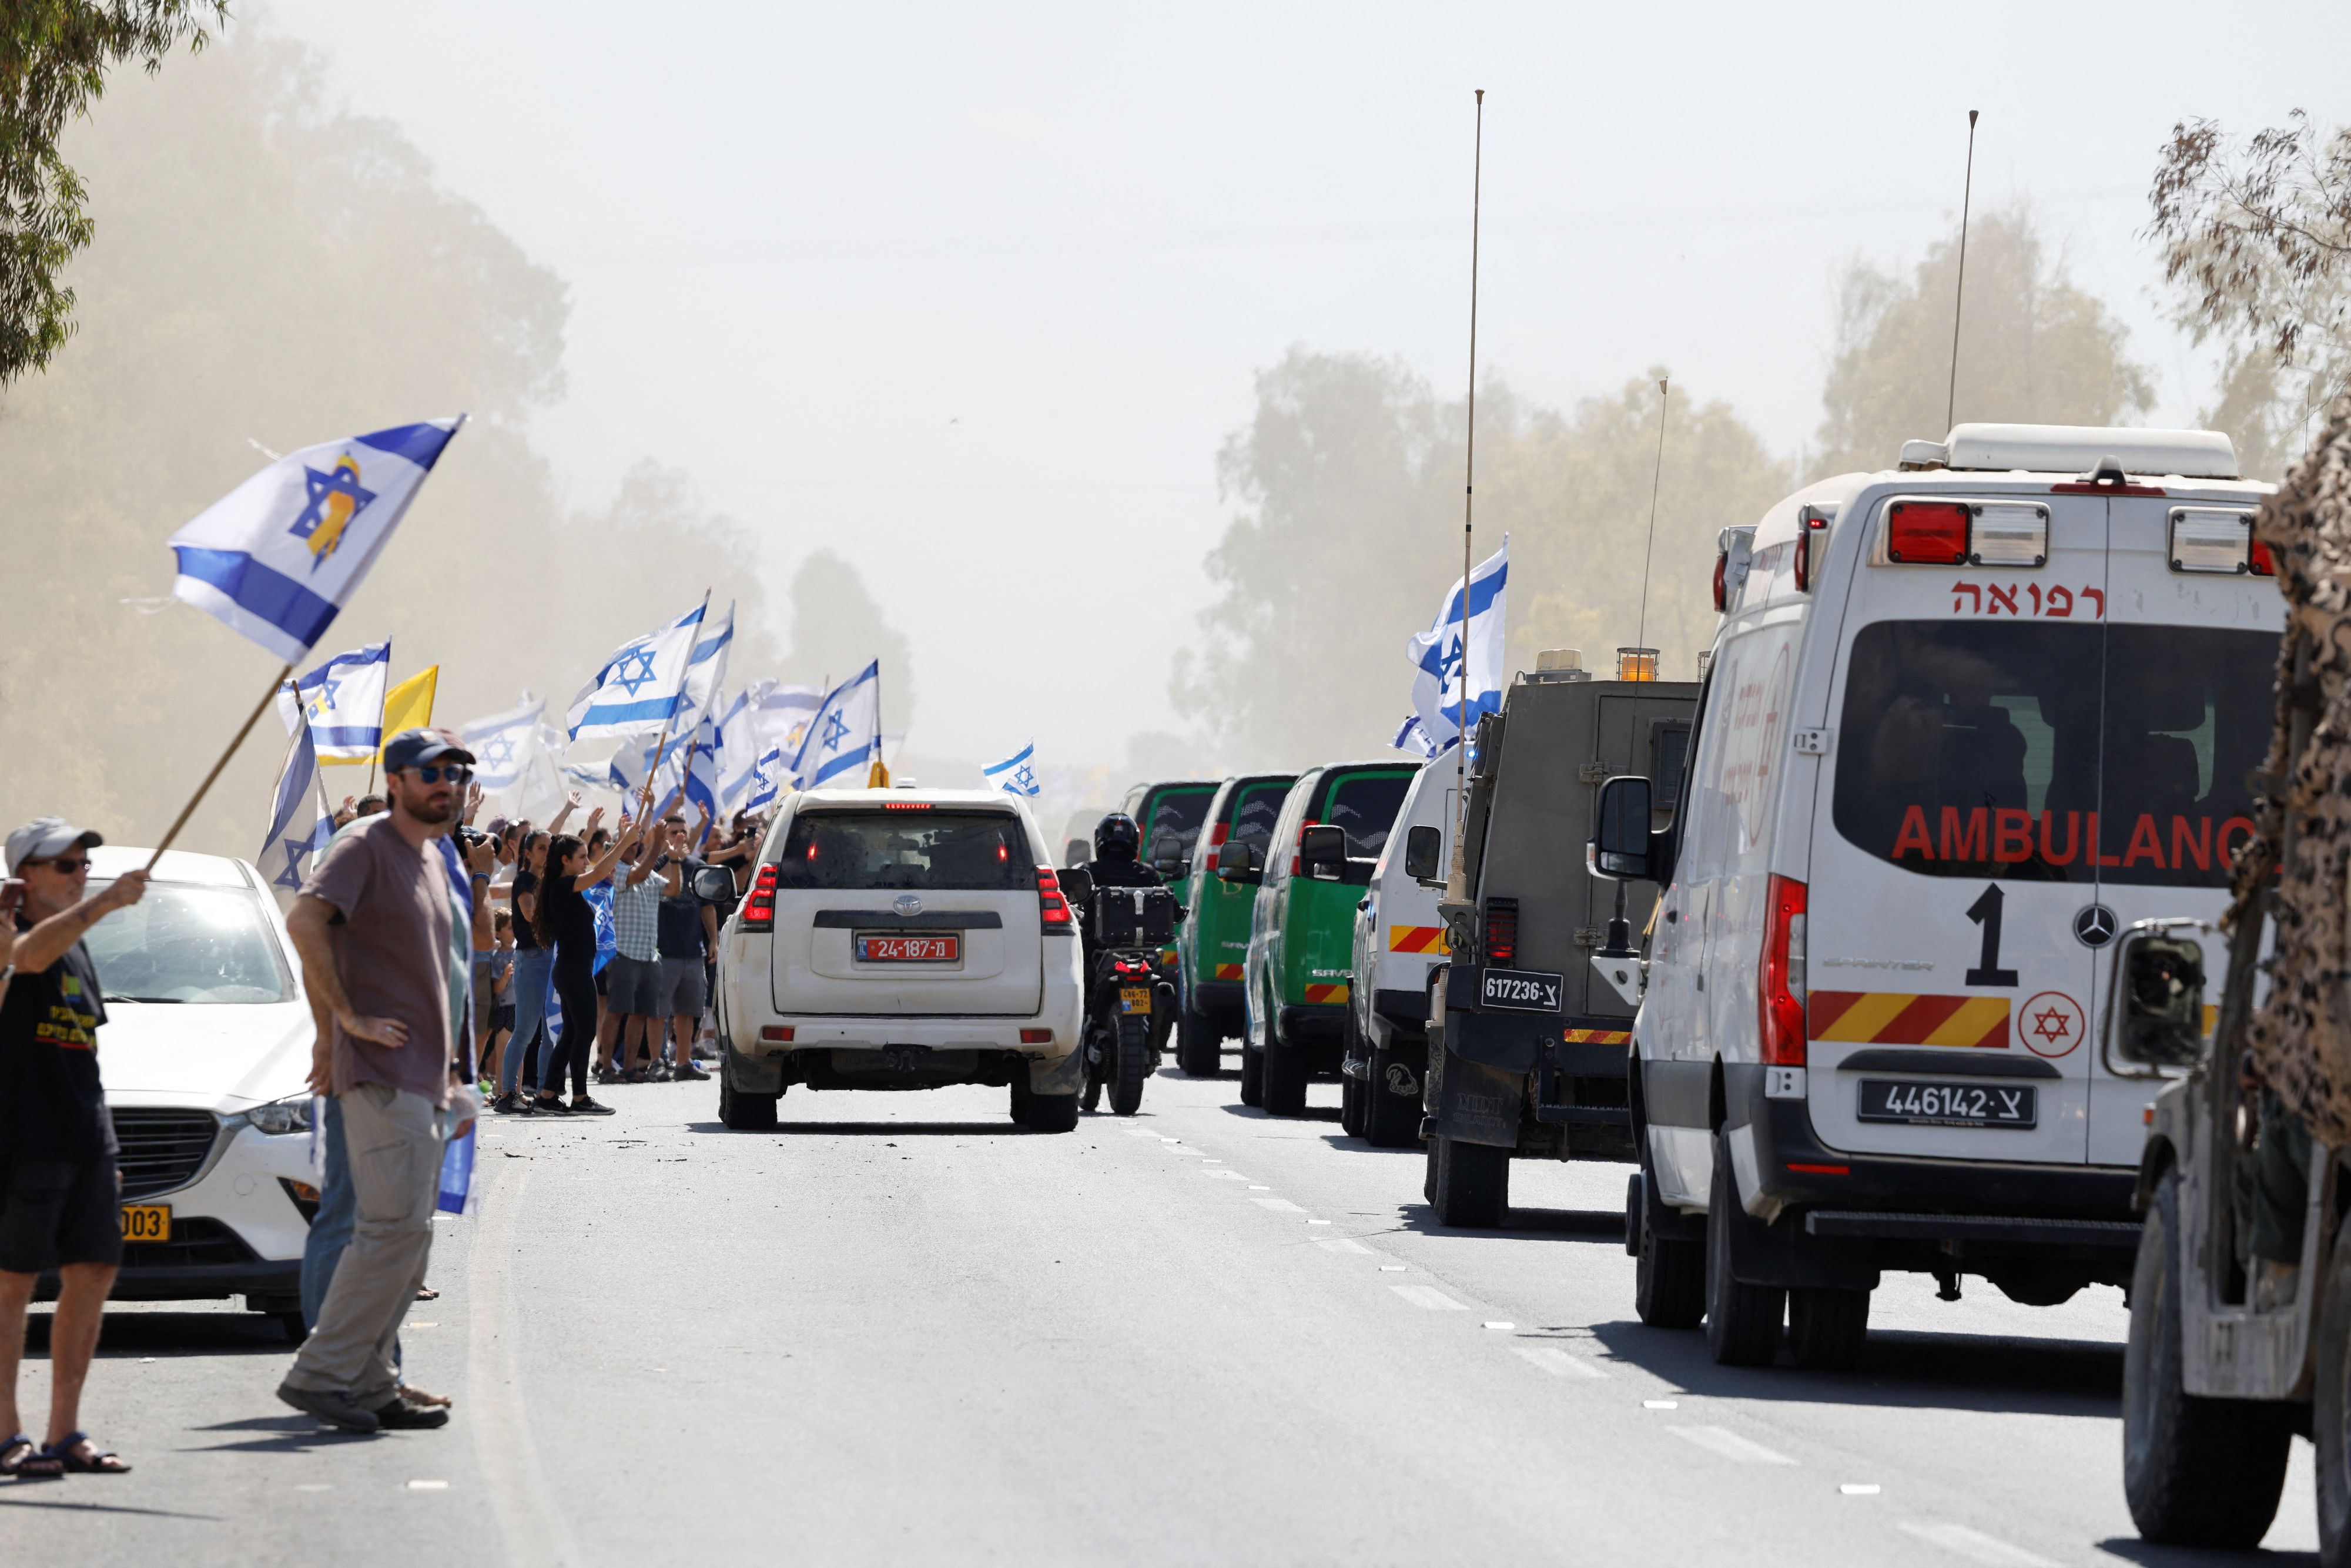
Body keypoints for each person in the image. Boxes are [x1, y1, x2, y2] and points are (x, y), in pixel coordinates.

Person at [276, 729, 478, 1435]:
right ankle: (325, 1372)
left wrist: (452, 1074)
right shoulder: (365, 848)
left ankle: (373, 1379)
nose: (446, 783)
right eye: (432, 772)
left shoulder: (429, 857)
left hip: (424, 1078)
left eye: (457, 772)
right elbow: (306, 921)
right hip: (381, 1075)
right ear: (395, 780)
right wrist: (344, 1022)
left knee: (408, 1238)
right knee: (385, 1231)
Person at [0, 819, 146, 1479]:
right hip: (19, 1137)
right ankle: (6, 1432)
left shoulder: (79, 943)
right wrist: (107, 902)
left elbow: (82, 1047)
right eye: (65, 864)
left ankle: (65, 1432)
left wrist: (104, 1147)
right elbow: (23, 958)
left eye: (85, 861)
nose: (82, 870)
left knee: (92, 1275)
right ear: (24, 875)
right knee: (12, 1285)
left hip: (86, 1136)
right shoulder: (10, 931)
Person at [533, 811, 645, 1115]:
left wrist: (621, 841)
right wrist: (623, 842)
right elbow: (597, 875)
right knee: (584, 1033)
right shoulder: (561, 886)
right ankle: (580, 1098)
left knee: (573, 1033)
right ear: (565, 860)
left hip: (575, 970)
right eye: (582, 857)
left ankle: (547, 1095)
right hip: (572, 971)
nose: (586, 861)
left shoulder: (568, 885)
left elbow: (599, 877)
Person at [601, 813, 667, 1084]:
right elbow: (638, 875)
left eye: (634, 845)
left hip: (649, 953)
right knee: (616, 1012)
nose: (632, 849)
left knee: (640, 1014)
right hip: (624, 953)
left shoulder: (647, 870)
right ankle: (606, 1068)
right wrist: (658, 844)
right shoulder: (613, 869)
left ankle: (629, 1067)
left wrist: (672, 858)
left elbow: (672, 889)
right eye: (626, 845)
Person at [655, 813, 716, 1081]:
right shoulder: (655, 864)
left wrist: (713, 939)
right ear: (664, 836)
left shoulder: (698, 866)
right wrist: (672, 859)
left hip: (693, 951)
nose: (679, 836)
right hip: (663, 950)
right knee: (658, 1011)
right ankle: (656, 1061)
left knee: (687, 1011)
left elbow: (707, 905)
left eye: (683, 831)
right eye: (673, 832)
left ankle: (683, 1063)